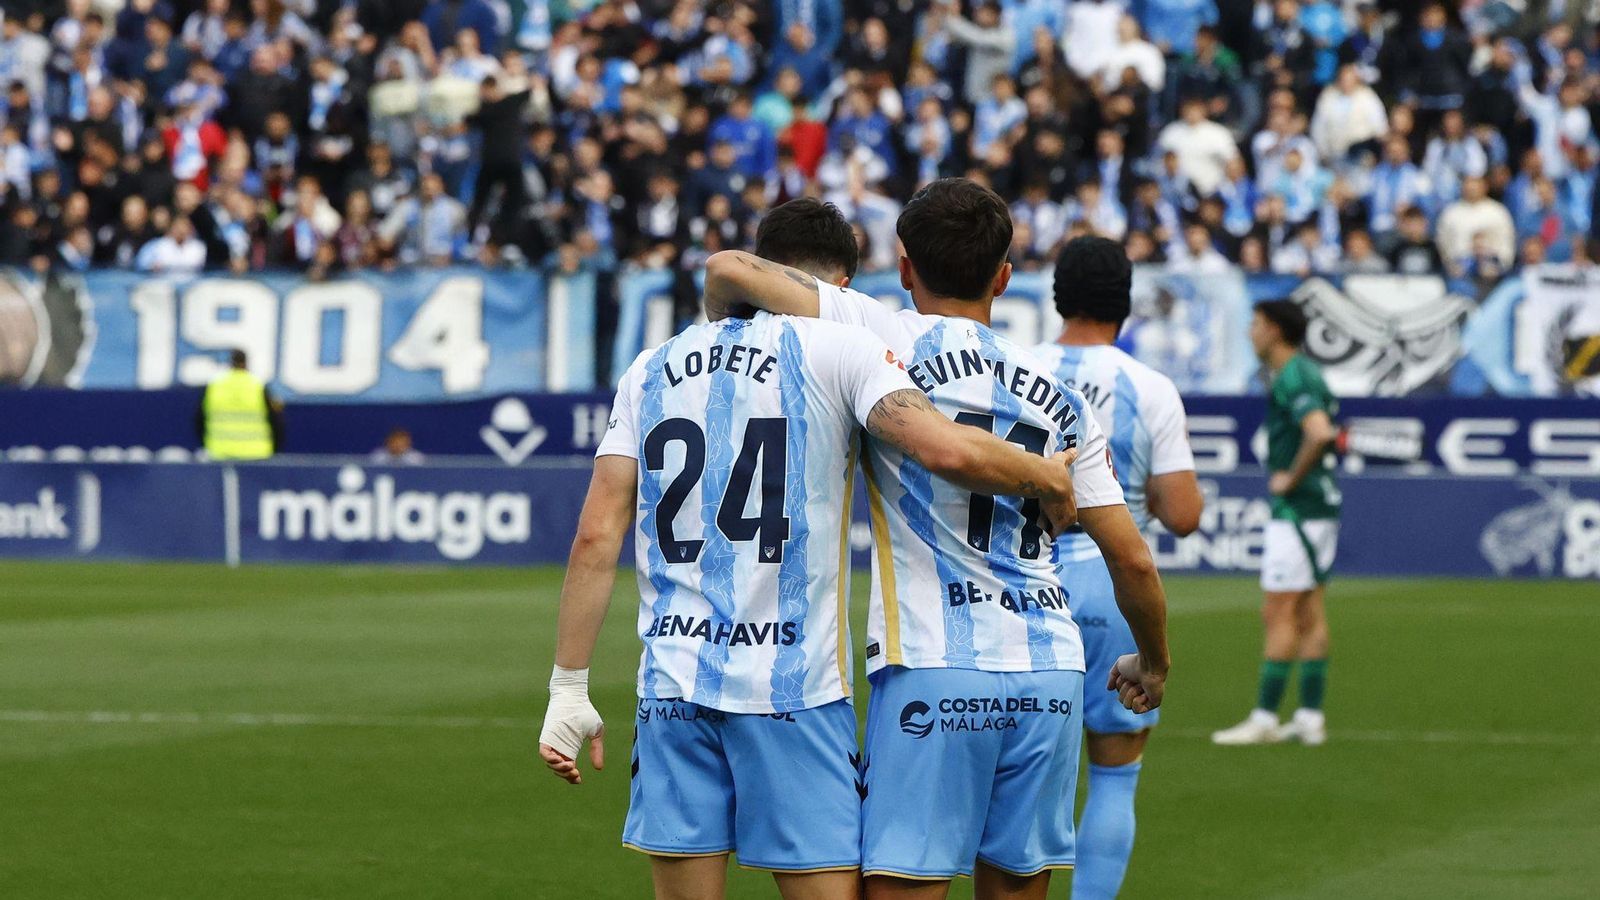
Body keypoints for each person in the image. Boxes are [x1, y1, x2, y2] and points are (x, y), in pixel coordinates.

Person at [537, 234, 1085, 898]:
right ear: (841, 283)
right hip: (794, 689)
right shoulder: (842, 349)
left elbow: (597, 535)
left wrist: (568, 688)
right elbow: (947, 449)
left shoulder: (650, 368)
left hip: (674, 686)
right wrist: (1048, 478)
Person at [702, 185, 1170, 899]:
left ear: (905, 267)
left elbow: (733, 267)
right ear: (1004, 277)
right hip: (1050, 672)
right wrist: (1154, 662)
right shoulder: (1061, 393)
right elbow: (1132, 557)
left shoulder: (881, 331)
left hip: (933, 663)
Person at [1034, 236, 1203, 900]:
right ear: (1126, 304)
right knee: (1113, 776)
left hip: (1023, 579)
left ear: (1055, 296)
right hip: (1111, 582)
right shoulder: (1148, 386)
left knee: (1023, 776)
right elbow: (1184, 513)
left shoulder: (1016, 365)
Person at [1213, 300, 1340, 746]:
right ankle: (1309, 718)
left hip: (1300, 510)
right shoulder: (1301, 372)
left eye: (1255, 324)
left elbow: (1320, 431)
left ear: (1274, 330)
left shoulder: (1293, 375)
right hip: (1318, 508)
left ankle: (1265, 717)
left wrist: (1290, 478)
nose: (1250, 333)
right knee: (1308, 610)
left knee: (1279, 610)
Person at [197, 349, 281, 460]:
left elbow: (199, 419)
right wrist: (275, 448)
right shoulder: (257, 385)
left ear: (230, 364)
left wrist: (207, 443)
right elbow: (276, 420)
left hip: (220, 452)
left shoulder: (215, 386)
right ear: (246, 363)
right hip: (256, 453)